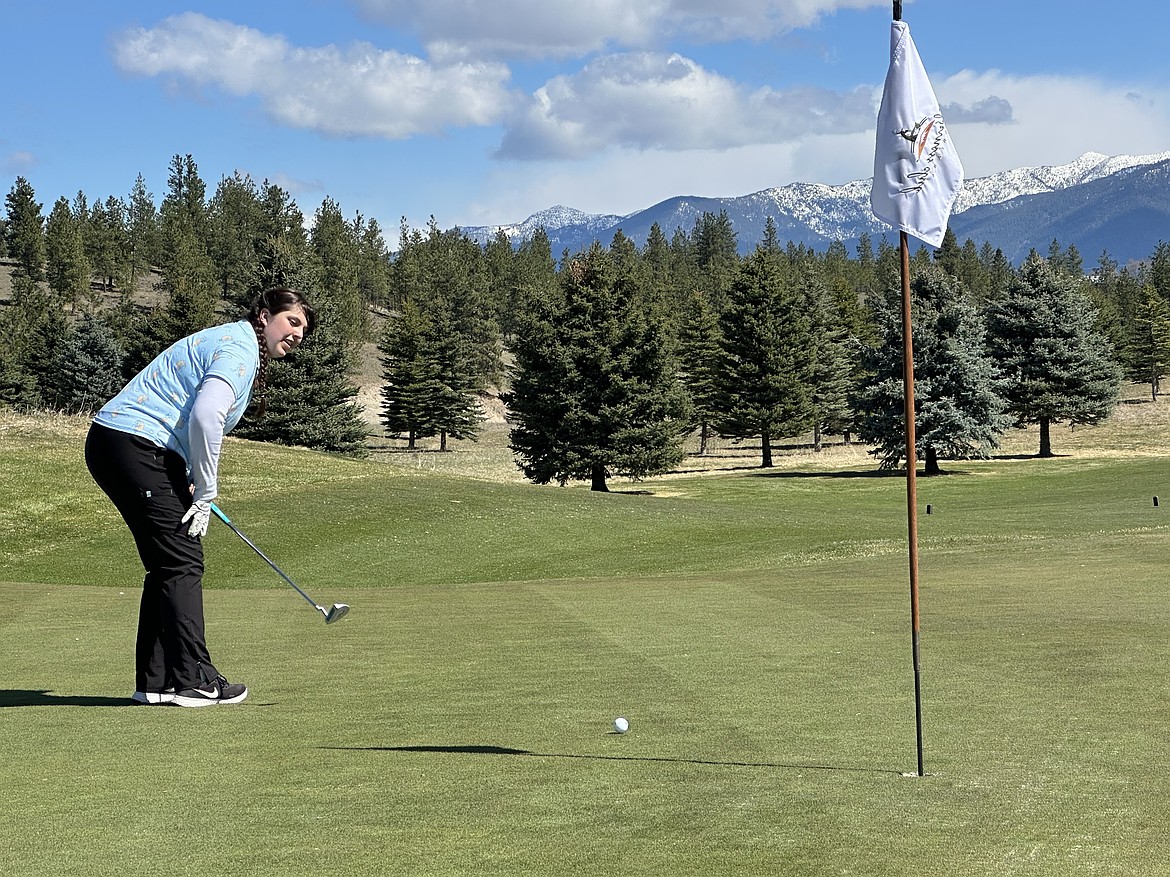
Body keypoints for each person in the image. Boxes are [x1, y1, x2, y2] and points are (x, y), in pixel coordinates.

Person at [85, 287, 316, 707]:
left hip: (125, 444)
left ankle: (157, 683)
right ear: (265, 316)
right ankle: (195, 680)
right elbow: (207, 415)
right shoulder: (239, 349)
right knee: (182, 561)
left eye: (303, 330)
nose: (298, 334)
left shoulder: (238, 344)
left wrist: (189, 476)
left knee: (167, 563)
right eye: (293, 321)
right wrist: (206, 492)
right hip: (137, 444)